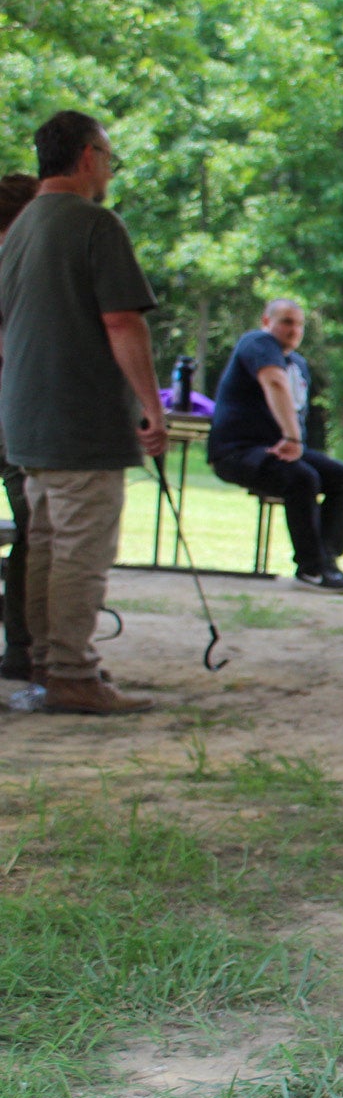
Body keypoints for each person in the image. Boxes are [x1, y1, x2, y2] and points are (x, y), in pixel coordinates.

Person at [0, 111, 167, 713]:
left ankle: (47, 661)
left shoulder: (18, 230)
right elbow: (121, 320)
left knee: (44, 543)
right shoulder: (93, 224)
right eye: (109, 158)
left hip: (26, 419)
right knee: (79, 549)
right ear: (89, 156)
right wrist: (151, 406)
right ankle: (72, 671)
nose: (109, 171)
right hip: (80, 420)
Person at [207, 299, 343, 593]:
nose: (294, 330)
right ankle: (311, 569)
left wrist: (293, 441)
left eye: (299, 324)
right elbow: (274, 383)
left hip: (279, 448)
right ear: (267, 321)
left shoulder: (297, 363)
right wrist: (292, 439)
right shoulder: (258, 342)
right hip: (238, 450)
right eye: (287, 321)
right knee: (302, 478)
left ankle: (327, 561)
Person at [0, 170, 40, 681]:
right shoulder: (23, 262)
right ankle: (24, 646)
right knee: (38, 529)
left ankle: (22, 646)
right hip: (17, 415)